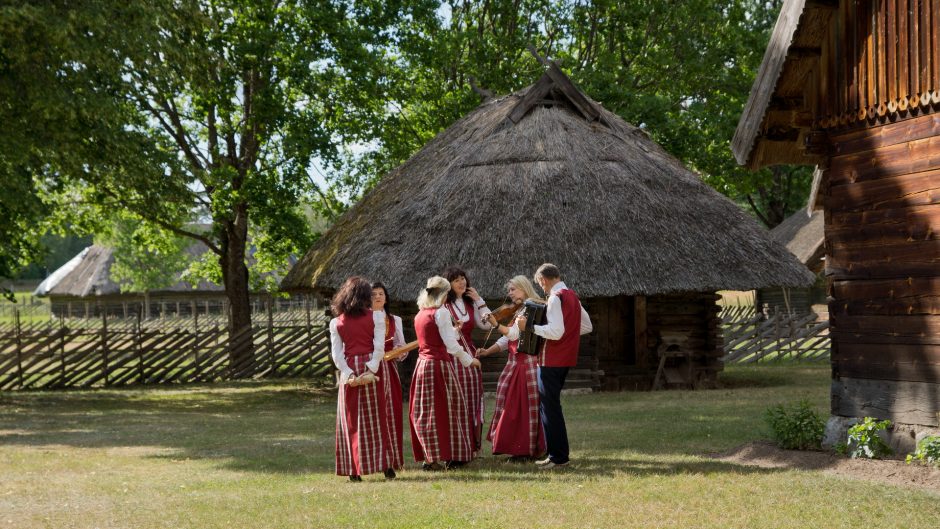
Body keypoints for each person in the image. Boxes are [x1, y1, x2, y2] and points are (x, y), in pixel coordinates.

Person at [517, 263, 592, 469]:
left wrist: (529, 327)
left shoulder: (555, 298)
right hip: (565, 360)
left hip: (551, 360)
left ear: (543, 280)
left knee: (550, 409)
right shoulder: (572, 296)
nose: (542, 288)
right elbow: (586, 326)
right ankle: (557, 455)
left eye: (540, 284)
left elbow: (556, 332)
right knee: (551, 407)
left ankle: (558, 457)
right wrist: (566, 338)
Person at [410, 275, 482, 471]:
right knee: (450, 410)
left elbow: (439, 337)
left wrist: (454, 330)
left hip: (423, 365)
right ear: (443, 292)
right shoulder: (440, 312)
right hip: (439, 366)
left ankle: (430, 457)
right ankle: (452, 456)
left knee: (427, 412)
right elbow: (451, 346)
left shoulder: (421, 313)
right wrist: (469, 360)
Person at [329, 276, 395, 482]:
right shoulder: (374, 317)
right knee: (377, 416)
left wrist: (349, 373)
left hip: (351, 369)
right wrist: (370, 369)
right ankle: (384, 466)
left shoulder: (336, 321)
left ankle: (355, 469)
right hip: (368, 368)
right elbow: (378, 348)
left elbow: (337, 355)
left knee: (352, 419)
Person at [477, 275, 546, 462]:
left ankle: (524, 450)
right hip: (516, 363)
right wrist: (487, 351)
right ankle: (519, 449)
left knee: (521, 408)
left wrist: (495, 324)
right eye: (509, 290)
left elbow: (514, 334)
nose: (510, 293)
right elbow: (507, 340)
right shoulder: (520, 308)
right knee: (512, 405)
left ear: (523, 288)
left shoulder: (531, 307)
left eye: (513, 289)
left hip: (527, 364)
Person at [442, 266, 493, 460]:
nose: (462, 282)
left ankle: (476, 446)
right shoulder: (444, 308)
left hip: (471, 355)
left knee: (473, 399)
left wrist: (479, 300)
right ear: (449, 285)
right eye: (456, 280)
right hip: (453, 357)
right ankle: (459, 446)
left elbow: (488, 324)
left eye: (463, 278)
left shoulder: (471, 304)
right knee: (456, 400)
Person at [370, 281, 406, 473]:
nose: (377, 297)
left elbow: (402, 346)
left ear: (386, 297)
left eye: (381, 294)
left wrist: (401, 352)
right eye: (374, 294)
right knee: (374, 412)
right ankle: (375, 459)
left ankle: (392, 459)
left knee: (391, 412)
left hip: (389, 370)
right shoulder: (364, 318)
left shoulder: (395, 320)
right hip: (371, 369)